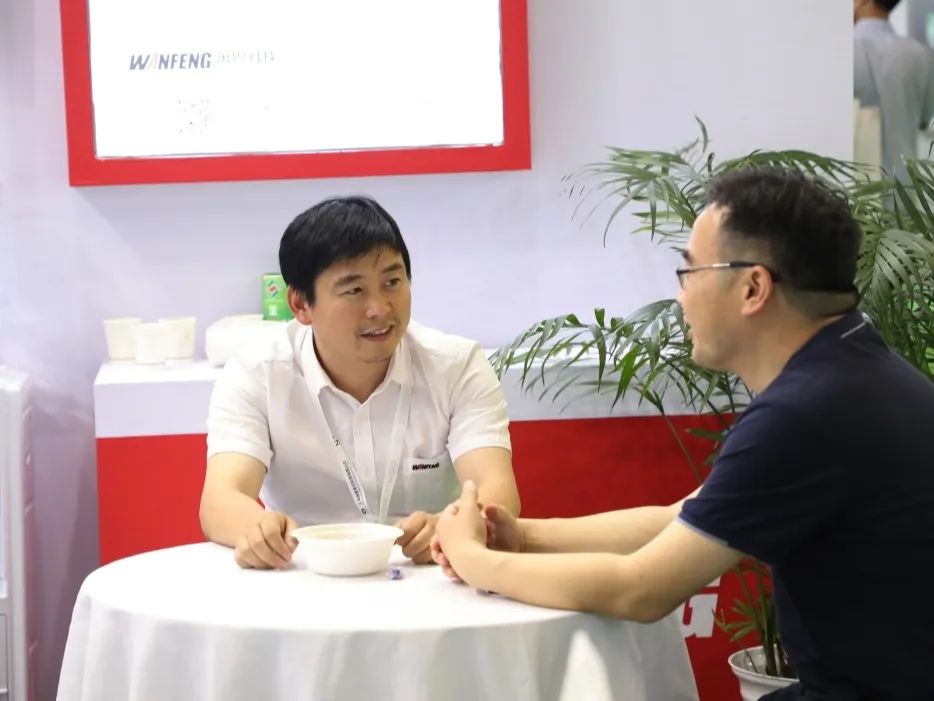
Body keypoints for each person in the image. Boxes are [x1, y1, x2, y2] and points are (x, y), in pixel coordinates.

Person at [433, 168, 934, 700]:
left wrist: (476, 561)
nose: (679, 298)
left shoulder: (803, 413)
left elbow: (641, 589)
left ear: (753, 287)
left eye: (690, 272)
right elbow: (682, 517)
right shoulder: (852, 364)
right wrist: (525, 537)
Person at [201, 195, 520, 570]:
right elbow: (221, 500)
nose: (380, 308)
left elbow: (497, 493)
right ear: (301, 304)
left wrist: (452, 526)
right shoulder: (258, 373)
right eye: (354, 290)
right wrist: (259, 530)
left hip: (428, 572)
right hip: (304, 573)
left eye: (392, 282)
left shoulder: (456, 366)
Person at [854, 0, 934, 178]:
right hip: (906, 187)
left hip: (851, 187)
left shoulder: (839, 52)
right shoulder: (921, 56)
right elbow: (924, 119)